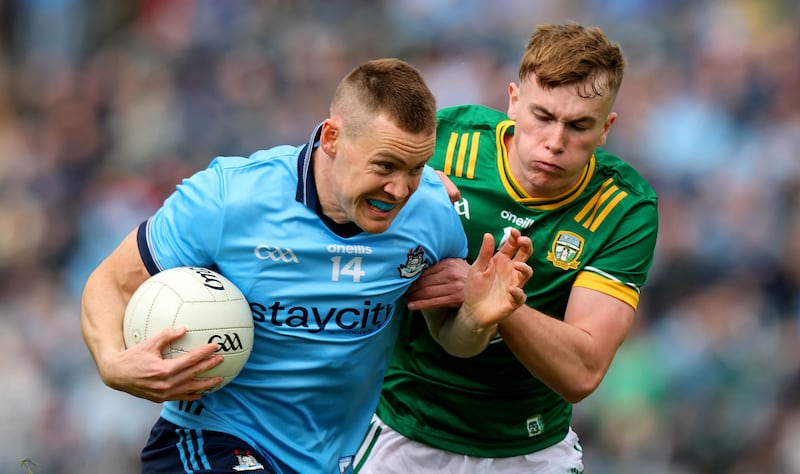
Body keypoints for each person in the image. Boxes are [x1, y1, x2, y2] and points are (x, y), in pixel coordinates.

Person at [80, 58, 533, 474]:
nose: (399, 189)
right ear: (332, 138)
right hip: (214, 436)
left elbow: (448, 336)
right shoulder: (227, 199)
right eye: (385, 165)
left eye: (415, 168)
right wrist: (110, 362)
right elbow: (112, 283)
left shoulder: (433, 215)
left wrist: (474, 319)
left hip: (340, 457)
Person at [354, 24, 659, 473]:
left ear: (606, 128)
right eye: (543, 116)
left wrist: (501, 303)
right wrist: (394, 194)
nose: (555, 143)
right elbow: (335, 192)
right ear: (513, 100)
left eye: (578, 126)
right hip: (402, 431)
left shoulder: (623, 209)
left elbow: (582, 371)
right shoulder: (441, 142)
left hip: (531, 449)